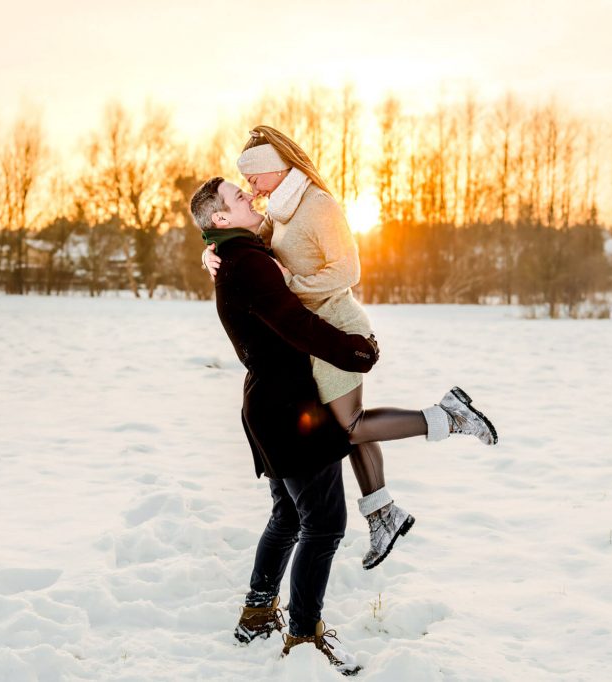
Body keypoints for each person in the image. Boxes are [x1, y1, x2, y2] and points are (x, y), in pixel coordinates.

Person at [202, 126, 498, 570]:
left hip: (336, 327)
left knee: (350, 427)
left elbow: (348, 270)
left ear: (273, 170)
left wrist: (292, 288)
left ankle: (447, 416)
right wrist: (208, 248)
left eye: (254, 179)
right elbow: (238, 235)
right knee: (343, 430)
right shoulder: (280, 210)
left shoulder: (317, 205)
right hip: (313, 332)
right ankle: (382, 514)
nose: (251, 188)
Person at [192, 176, 373, 673]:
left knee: (290, 518)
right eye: (237, 197)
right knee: (324, 524)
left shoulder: (238, 253)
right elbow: (293, 320)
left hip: (270, 405)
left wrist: (210, 247)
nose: (249, 195)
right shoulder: (245, 261)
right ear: (221, 219)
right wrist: (353, 351)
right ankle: (304, 636)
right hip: (290, 410)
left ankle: (256, 613)